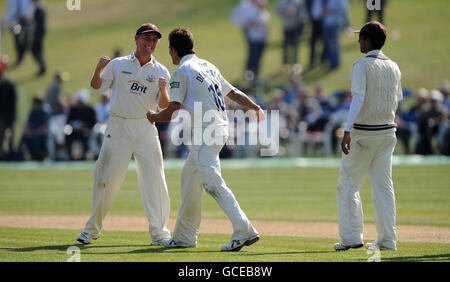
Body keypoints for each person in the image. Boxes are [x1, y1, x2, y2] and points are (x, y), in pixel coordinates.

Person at [147, 28, 264, 251]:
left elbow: (172, 109)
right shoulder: (209, 65)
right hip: (219, 129)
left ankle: (244, 229)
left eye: (169, 50)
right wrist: (255, 106)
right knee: (190, 180)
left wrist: (153, 116)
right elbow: (234, 93)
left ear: (173, 50)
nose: (170, 55)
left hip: (206, 133)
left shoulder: (182, 70)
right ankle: (184, 237)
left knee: (212, 183)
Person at [77, 23, 172, 246]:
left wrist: (163, 89)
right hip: (118, 126)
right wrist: (98, 69)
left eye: (154, 40)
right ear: (136, 39)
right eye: (146, 39)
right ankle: (91, 229)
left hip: (145, 128)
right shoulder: (119, 65)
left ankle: (159, 234)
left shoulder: (161, 71)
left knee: (155, 180)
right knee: (105, 178)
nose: (150, 44)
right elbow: (96, 88)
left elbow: (165, 105)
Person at [334, 21, 402, 251]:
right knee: (383, 187)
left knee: (347, 185)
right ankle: (387, 240)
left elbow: (359, 98)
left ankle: (351, 238)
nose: (358, 41)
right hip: (387, 133)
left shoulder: (361, 65)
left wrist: (348, 130)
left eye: (361, 37)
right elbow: (396, 101)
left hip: (364, 133)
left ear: (368, 40)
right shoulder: (394, 66)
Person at [231, 0, 270, 82]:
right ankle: (249, 74)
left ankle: (256, 74)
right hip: (251, 34)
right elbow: (234, 16)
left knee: (259, 54)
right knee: (253, 53)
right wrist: (245, 24)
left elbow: (265, 16)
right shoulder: (244, 4)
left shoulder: (262, 8)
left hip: (262, 36)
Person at [65, 89, 96, 160]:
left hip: (86, 131)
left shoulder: (90, 110)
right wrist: (77, 124)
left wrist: (86, 127)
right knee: (68, 135)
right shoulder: (73, 109)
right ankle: (69, 155)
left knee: (85, 135)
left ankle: (84, 155)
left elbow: (93, 122)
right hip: (74, 131)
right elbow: (68, 121)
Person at [276, 0, 308, 68]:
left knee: (296, 46)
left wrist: (296, 17)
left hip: (296, 27)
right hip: (286, 27)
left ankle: (296, 63)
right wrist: (285, 13)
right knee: (286, 46)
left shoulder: (299, 2)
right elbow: (277, 11)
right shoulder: (282, 2)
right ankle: (285, 63)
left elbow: (303, 15)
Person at [322, 0, 348, 70]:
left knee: (334, 44)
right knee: (329, 45)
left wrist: (330, 11)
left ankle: (335, 64)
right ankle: (330, 63)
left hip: (334, 23)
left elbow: (343, 9)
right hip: (326, 23)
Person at [20, 96, 48, 160]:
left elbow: (45, 127)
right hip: (32, 133)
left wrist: (35, 132)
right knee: (24, 137)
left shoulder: (43, 113)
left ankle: (38, 157)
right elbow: (27, 123)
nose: (34, 105)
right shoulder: (32, 112)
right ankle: (19, 155)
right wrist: (28, 131)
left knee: (35, 139)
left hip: (40, 134)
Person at [0, 56, 17, 160]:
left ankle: (7, 156)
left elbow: (12, 105)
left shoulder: (9, 85)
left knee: (8, 139)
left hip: (7, 118)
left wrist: (11, 120)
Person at [5, 0, 32, 66]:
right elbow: (10, 10)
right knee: (17, 39)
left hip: (26, 22)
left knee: (26, 39)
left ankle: (22, 55)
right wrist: (10, 22)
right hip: (16, 22)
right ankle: (19, 57)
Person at [30, 0, 46, 76]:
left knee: (36, 50)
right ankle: (42, 67)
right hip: (39, 33)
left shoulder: (38, 9)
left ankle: (43, 68)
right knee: (36, 51)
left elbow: (39, 24)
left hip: (38, 34)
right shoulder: (39, 7)